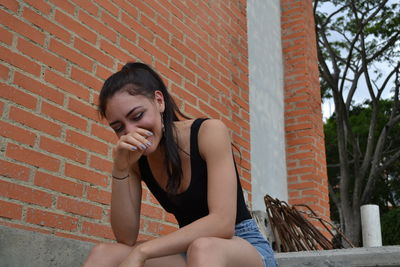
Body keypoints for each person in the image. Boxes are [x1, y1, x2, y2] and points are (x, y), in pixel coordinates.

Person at [83, 62, 277, 267]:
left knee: (203, 248)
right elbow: (125, 237)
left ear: (159, 101)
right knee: (103, 254)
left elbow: (222, 223)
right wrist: (120, 168)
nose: (131, 131)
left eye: (137, 116)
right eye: (119, 127)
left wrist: (143, 251)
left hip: (243, 246)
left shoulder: (208, 132)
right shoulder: (134, 159)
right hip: (190, 250)